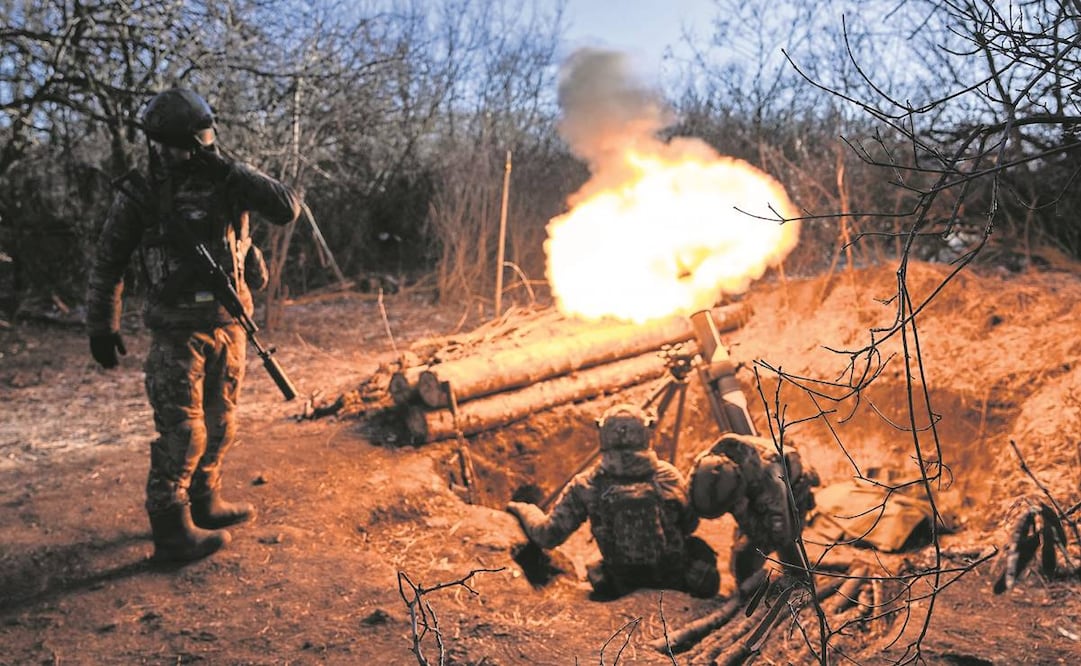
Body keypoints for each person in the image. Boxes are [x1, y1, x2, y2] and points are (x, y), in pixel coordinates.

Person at [86, 88, 302, 562]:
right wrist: (102, 324)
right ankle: (170, 528)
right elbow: (109, 261)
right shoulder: (141, 191)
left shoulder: (228, 178)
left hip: (230, 323)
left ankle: (205, 501)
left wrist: (227, 169)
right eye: (167, 144)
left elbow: (286, 208)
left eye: (186, 142)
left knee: (222, 424)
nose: (175, 154)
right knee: (183, 432)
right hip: (176, 330)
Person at [506, 404, 720, 600]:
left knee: (594, 565)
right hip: (674, 581)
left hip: (622, 584)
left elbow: (548, 536)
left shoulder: (586, 485)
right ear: (646, 434)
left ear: (603, 436)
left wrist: (523, 509)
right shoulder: (668, 476)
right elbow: (690, 524)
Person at [688, 433, 820, 584]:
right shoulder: (712, 463)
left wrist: (744, 516)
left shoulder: (770, 484)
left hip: (793, 488)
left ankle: (801, 579)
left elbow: (778, 535)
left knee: (780, 543)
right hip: (758, 486)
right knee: (743, 560)